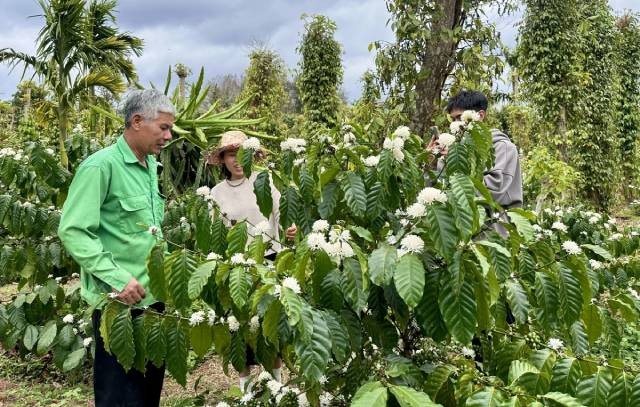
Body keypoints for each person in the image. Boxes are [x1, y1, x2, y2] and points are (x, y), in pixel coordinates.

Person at [58, 89, 175, 406]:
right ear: (137, 121)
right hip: (119, 305)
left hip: (153, 303)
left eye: (170, 129)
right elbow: (74, 230)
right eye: (163, 127)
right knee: (120, 397)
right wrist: (117, 278)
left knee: (148, 394)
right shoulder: (100, 167)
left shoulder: (150, 166)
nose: (169, 135)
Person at [207, 130, 297, 392]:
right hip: (237, 268)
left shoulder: (264, 181)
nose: (236, 161)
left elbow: (281, 215)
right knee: (239, 327)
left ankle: (276, 384)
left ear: (251, 157)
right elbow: (217, 233)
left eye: (241, 155)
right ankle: (245, 387)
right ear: (222, 159)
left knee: (271, 324)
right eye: (231, 155)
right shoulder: (217, 192)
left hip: (269, 263)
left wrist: (291, 229)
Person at [430, 90, 523, 235]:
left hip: (494, 234)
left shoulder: (503, 147)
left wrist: (459, 161)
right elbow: (440, 189)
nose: (456, 124)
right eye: (453, 119)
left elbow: (493, 191)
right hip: (461, 234)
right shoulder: (453, 150)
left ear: (480, 115)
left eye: (460, 117)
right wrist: (430, 163)